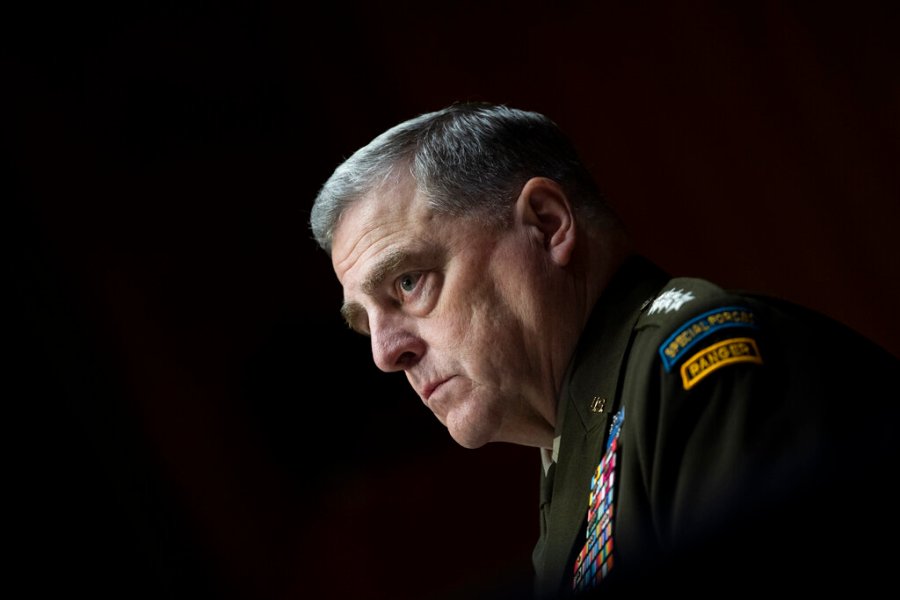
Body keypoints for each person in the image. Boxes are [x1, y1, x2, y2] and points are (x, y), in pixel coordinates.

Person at [308, 101, 900, 598]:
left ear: (546, 224)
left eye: (408, 283)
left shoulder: (688, 363)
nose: (386, 354)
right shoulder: (577, 445)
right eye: (366, 323)